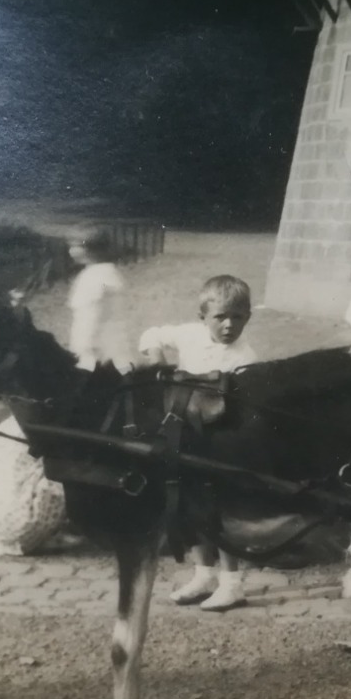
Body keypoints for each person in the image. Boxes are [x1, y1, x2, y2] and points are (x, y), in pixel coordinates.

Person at [138, 274, 260, 611]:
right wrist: (157, 361)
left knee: (219, 508)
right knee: (189, 505)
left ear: (248, 317)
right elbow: (152, 334)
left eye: (238, 317)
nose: (228, 325)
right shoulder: (188, 334)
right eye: (221, 317)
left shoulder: (245, 358)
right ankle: (204, 573)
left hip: (220, 439)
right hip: (184, 433)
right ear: (202, 316)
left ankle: (232, 582)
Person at [67, 226, 132, 371]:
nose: (70, 250)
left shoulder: (93, 277)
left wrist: (81, 348)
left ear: (87, 249)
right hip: (112, 343)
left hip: (95, 349)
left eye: (73, 245)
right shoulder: (109, 271)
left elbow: (90, 316)